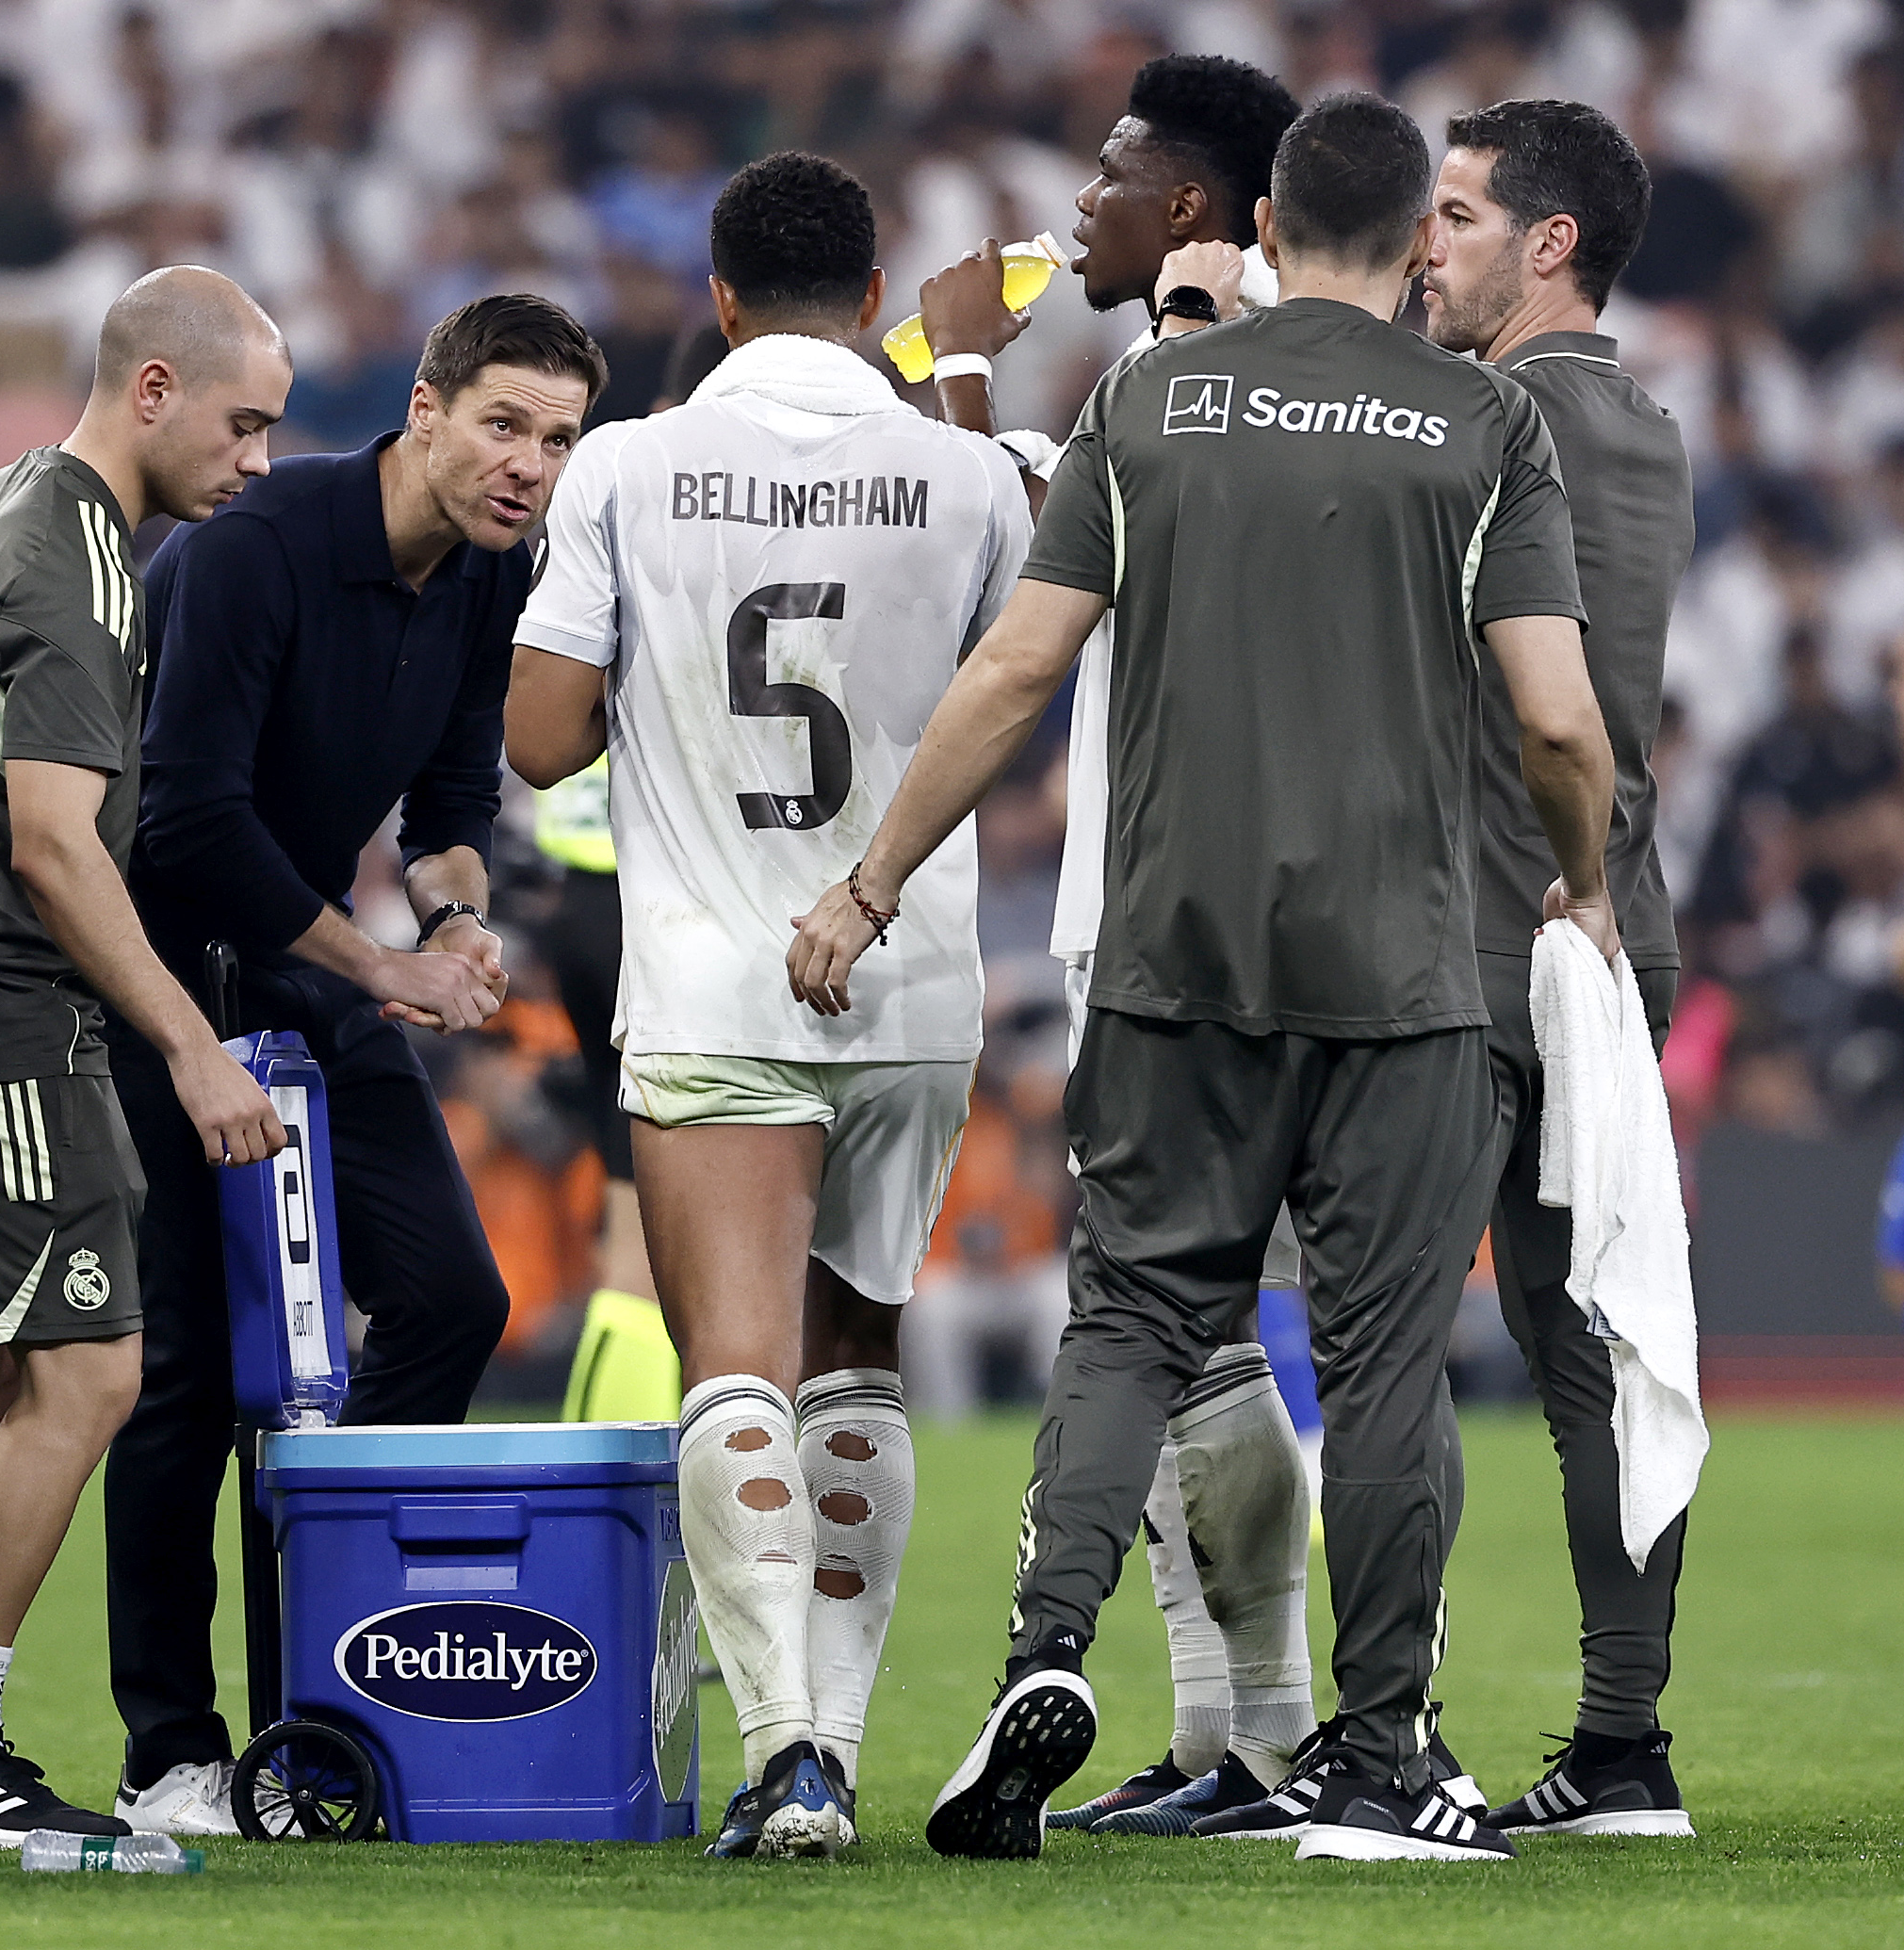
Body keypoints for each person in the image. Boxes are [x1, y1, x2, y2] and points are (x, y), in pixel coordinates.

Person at [791, 93, 1616, 1864]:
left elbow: (1015, 670)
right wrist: (1592, 879)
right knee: (1383, 1358)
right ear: (1419, 240)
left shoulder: (1144, 404)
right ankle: (1378, 1759)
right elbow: (1557, 716)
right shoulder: (1479, 419)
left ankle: (1043, 1651)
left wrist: (870, 883)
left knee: (1132, 1325)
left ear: (1262, 225)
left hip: (1168, 958)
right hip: (1395, 972)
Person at [508, 152, 1029, 1860]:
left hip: (716, 973)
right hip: (908, 972)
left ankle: (786, 1755)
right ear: (873, 300)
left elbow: (540, 741)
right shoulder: (963, 473)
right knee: (855, 1361)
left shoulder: (625, 464)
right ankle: (848, 1744)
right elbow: (1014, 688)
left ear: (719, 301)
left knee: (731, 1365)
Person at [103, 292, 604, 1837]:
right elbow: (186, 819)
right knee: (186, 1371)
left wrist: (452, 919)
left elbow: (452, 797)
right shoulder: (254, 547)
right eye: (505, 425)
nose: (529, 466)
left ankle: (328, 1680)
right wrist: (380, 963)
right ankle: (168, 1752)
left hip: (307, 961)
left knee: (451, 1296)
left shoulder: (491, 570)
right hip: (153, 975)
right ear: (425, 411)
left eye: (559, 441)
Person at [0, 265, 294, 1849]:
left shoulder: (4, 497)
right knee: (91, 1374)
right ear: (153, 390)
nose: (257, 461)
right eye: (242, 424)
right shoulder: (82, 564)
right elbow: (53, 844)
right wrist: (191, 1049)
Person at [927, 55, 1343, 1838]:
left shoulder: (1185, 375)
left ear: (1188, 208)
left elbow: (1023, 593)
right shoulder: (1344, 378)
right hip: (1319, 908)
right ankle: (1225, 1732)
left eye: (1107, 177)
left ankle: (1269, 1732)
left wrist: (957, 367)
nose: (1075, 208)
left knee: (1167, 1312)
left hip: (1164, 913)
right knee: (1219, 1327)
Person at [1421, 99, 1698, 1841]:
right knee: (1600, 1346)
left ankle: (1369, 1735)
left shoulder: (1494, 417)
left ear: (1549, 244)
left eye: (1454, 216)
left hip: (1478, 934)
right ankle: (1622, 1744)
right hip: (1611, 936)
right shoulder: (1650, 423)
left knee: (1383, 1339)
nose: (1423, 246)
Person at [546, 322, 727, 1427]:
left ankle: (602, 1475)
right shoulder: (724, 493)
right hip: (668, 886)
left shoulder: (598, 482)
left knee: (629, 1203)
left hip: (580, 887)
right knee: (714, 1223)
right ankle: (687, 1471)